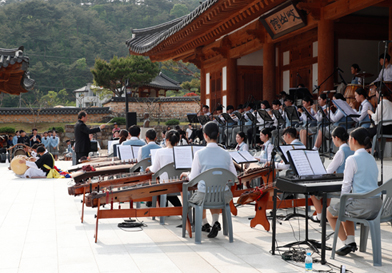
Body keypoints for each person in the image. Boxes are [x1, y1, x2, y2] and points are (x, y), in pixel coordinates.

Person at [327, 127, 382, 256]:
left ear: (353, 140)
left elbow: (346, 186)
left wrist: (342, 201)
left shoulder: (352, 159)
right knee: (347, 206)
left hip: (362, 206)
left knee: (330, 213)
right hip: (377, 206)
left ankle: (347, 242)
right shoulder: (371, 158)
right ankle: (351, 242)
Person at [180, 122, 236, 238]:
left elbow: (193, 178)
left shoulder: (199, 154)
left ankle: (204, 223)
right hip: (223, 195)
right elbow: (233, 176)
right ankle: (214, 221)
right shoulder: (226, 154)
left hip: (204, 196)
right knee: (214, 190)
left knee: (198, 195)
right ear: (218, 135)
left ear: (205, 135)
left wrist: (186, 174)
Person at [310, 127, 354, 223]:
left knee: (313, 191)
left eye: (332, 138)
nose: (333, 141)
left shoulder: (341, 152)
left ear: (336, 138)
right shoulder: (352, 149)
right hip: (353, 185)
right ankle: (323, 213)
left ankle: (319, 216)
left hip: (343, 185)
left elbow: (329, 171)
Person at [145, 130, 182, 207]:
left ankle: (159, 204)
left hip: (165, 184)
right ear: (178, 141)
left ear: (167, 139)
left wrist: (149, 167)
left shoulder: (160, 152)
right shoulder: (183, 152)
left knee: (156, 181)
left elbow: (154, 170)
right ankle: (180, 209)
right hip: (181, 184)